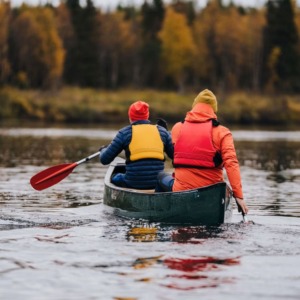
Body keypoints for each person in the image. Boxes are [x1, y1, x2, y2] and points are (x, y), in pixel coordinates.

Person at [157, 89, 248, 215]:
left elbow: (173, 154)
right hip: (211, 194)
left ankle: (161, 212)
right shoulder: (223, 132)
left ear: (194, 106)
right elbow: (231, 163)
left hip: (181, 191)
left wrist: (163, 132)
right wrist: (239, 196)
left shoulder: (178, 128)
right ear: (214, 109)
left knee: (159, 176)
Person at [99, 100, 173, 190]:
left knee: (115, 176)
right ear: (147, 116)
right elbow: (174, 155)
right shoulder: (162, 131)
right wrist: (167, 133)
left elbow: (104, 159)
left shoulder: (124, 133)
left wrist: (103, 150)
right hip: (156, 183)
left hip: (132, 183)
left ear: (130, 117)